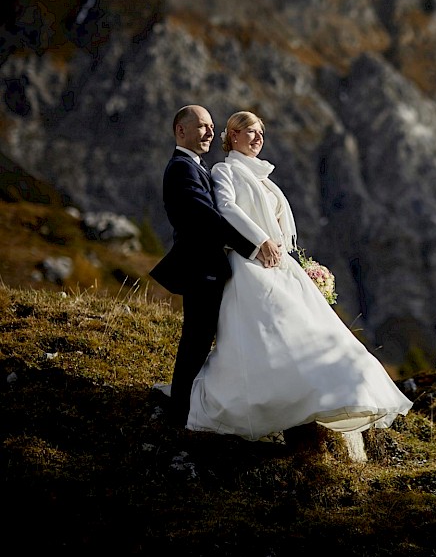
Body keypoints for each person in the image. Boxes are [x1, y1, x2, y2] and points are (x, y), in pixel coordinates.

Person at [183, 110, 412, 442]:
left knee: (311, 331)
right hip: (250, 262)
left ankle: (331, 396)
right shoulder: (225, 169)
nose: (258, 137)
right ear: (232, 136)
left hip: (278, 263)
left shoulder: (264, 178)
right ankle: (269, 403)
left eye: (261, 131)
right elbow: (227, 208)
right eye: (250, 131)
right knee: (272, 332)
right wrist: (259, 240)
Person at [149, 104, 282, 428]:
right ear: (181, 131)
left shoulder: (197, 166)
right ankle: (180, 412)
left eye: (211, 127)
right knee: (195, 340)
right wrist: (252, 247)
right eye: (203, 126)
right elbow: (207, 220)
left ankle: (187, 405)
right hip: (199, 269)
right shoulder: (181, 168)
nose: (211, 132)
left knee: (202, 339)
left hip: (209, 268)